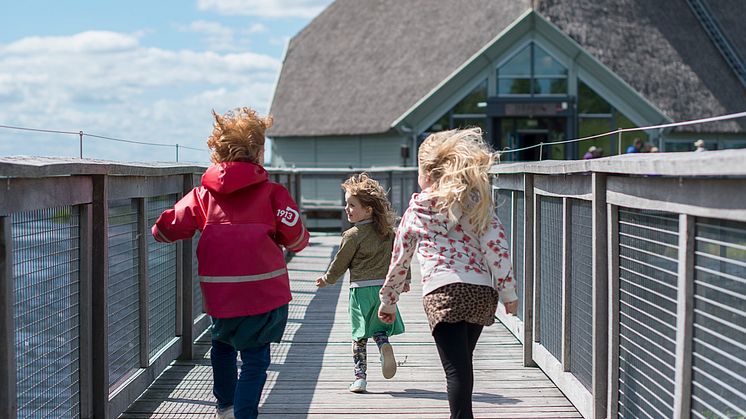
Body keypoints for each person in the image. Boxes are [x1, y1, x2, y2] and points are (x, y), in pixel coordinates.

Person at [151, 107, 310, 419]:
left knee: (222, 347)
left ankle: (224, 406)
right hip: (264, 293)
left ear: (217, 152)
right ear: (259, 152)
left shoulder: (202, 195)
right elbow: (295, 238)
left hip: (221, 296)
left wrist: (158, 231)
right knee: (255, 359)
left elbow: (167, 227)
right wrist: (298, 240)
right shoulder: (272, 193)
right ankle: (244, 414)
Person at [378, 128, 518, 419]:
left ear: (427, 173)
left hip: (442, 294)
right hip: (480, 294)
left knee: (456, 370)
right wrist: (508, 292)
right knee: (462, 364)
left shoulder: (417, 210)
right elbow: (497, 247)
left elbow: (399, 260)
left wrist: (389, 301)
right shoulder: (476, 204)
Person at [315, 173, 407, 393]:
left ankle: (360, 378)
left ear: (368, 209)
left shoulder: (352, 235)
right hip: (384, 292)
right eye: (346, 204)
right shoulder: (388, 233)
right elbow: (401, 256)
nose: (347, 208)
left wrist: (327, 279)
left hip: (360, 292)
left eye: (352, 205)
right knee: (378, 328)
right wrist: (406, 279)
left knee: (359, 336)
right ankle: (384, 345)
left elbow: (340, 263)